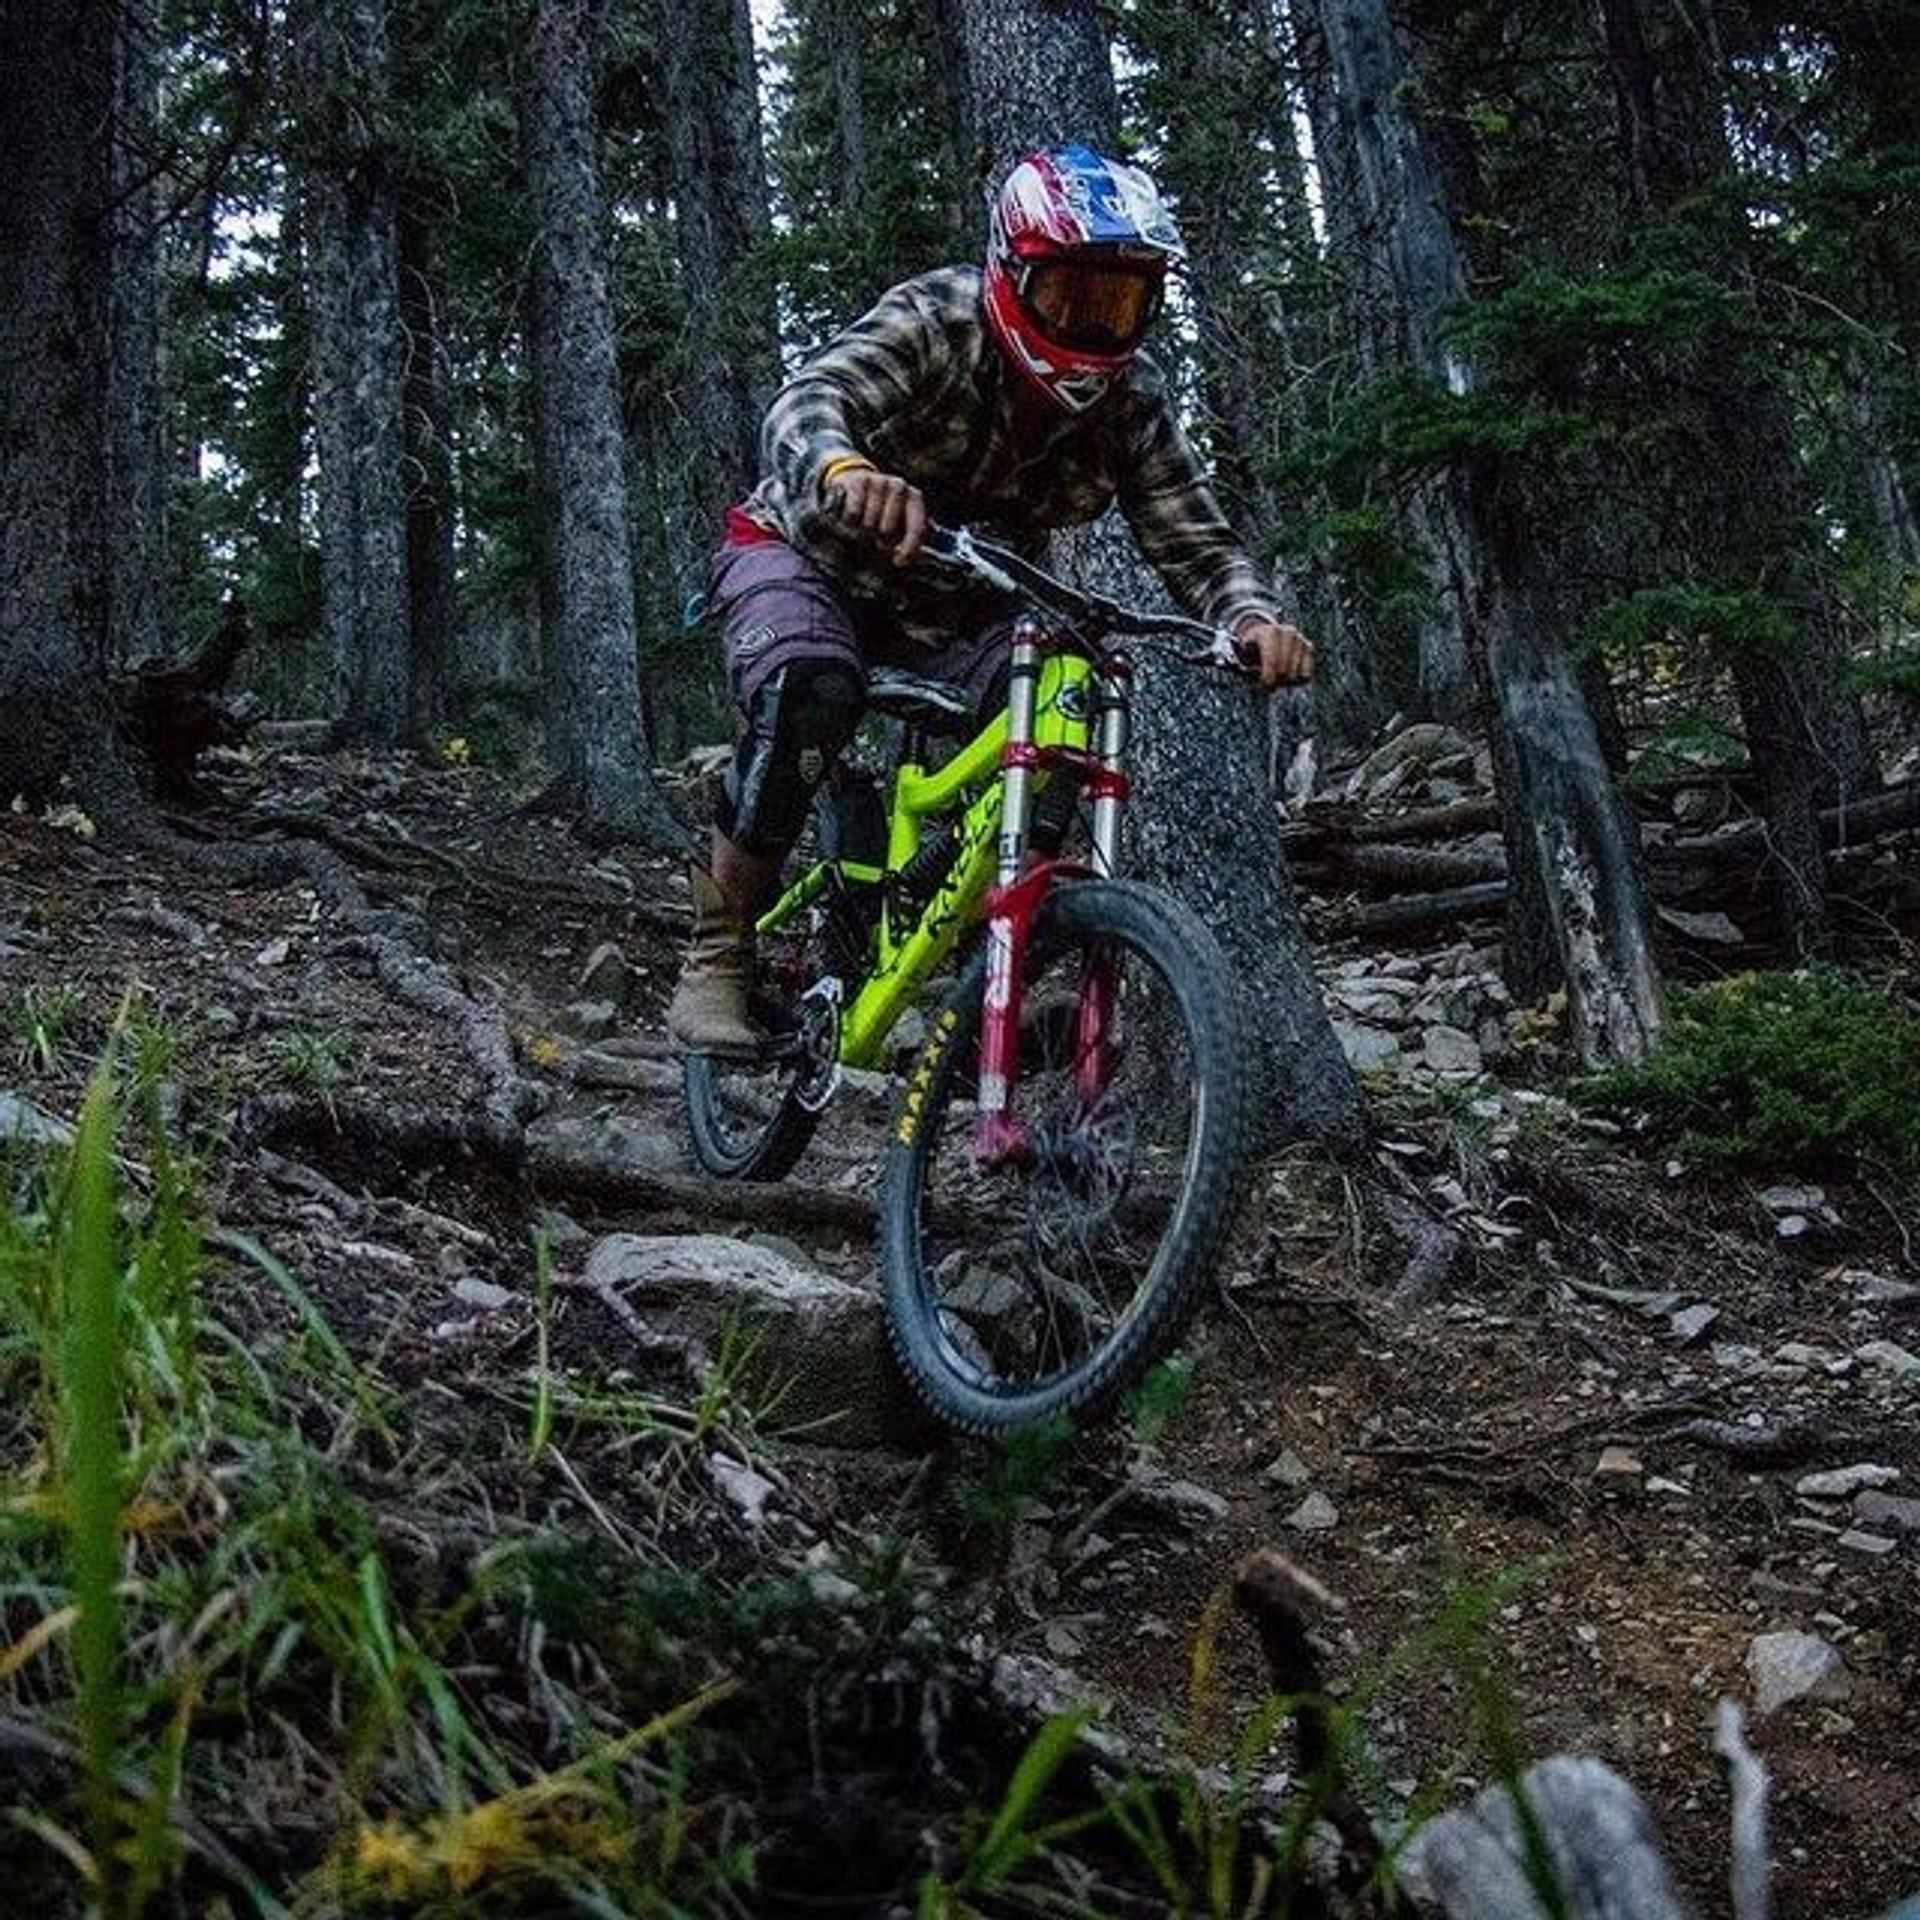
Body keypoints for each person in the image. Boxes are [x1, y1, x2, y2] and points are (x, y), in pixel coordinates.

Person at [667, 143, 1313, 1057]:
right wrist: (844, 468)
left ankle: (991, 973)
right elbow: (809, 400)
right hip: (805, 557)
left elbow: (1197, 539)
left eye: (1118, 301)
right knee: (809, 687)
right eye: (1068, 295)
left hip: (952, 606)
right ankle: (720, 957)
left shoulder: (1132, 401)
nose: (1090, 326)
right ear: (1012, 271)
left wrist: (1250, 617)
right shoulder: (940, 318)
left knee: (1067, 701)